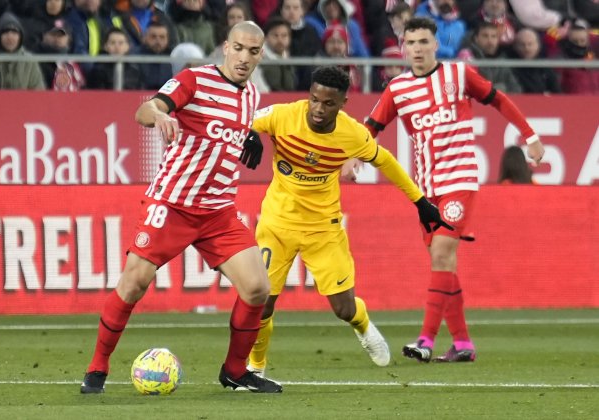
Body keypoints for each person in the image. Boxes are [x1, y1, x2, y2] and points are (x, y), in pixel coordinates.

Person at [80, 21, 282, 394]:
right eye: (238, 48)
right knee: (134, 281)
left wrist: (250, 135)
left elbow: (229, 128)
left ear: (260, 55)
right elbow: (146, 109)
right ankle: (97, 368)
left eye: (253, 52)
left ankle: (235, 371)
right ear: (226, 47)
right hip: (172, 202)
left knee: (257, 289)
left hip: (218, 211)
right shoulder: (194, 80)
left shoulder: (252, 95)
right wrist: (159, 115)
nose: (244, 57)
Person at [246, 65, 451, 375]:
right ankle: (256, 367)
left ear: (342, 103)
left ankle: (364, 325)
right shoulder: (282, 115)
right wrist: (250, 133)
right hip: (277, 224)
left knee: (344, 308)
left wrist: (420, 202)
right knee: (263, 302)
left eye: (328, 103)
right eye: (314, 99)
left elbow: (386, 161)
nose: (318, 108)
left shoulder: (352, 134)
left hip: (323, 230)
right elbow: (241, 117)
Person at [364, 17, 545, 363]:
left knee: (443, 254)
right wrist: (353, 158)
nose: (417, 49)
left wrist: (531, 136)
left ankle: (426, 341)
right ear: (404, 48)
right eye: (410, 43)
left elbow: (499, 99)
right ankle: (462, 343)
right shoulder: (398, 90)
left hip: (459, 180)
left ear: (436, 44)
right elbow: (370, 127)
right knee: (442, 262)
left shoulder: (458, 76)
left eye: (423, 42)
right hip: (425, 190)